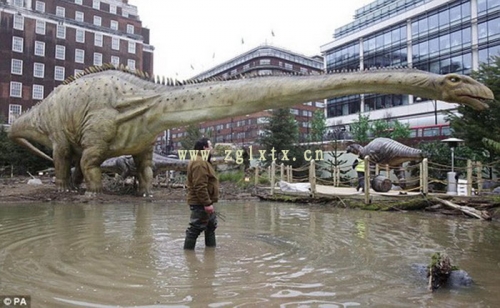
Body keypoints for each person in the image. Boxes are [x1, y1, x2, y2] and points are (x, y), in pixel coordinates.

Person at [183, 138, 219, 250]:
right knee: (195, 229)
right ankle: (188, 255)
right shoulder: (199, 163)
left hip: (204, 201)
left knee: (210, 226)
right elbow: (200, 186)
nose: (212, 148)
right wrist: (207, 203)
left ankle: (211, 252)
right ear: (204, 148)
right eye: (210, 146)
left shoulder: (202, 160)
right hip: (201, 202)